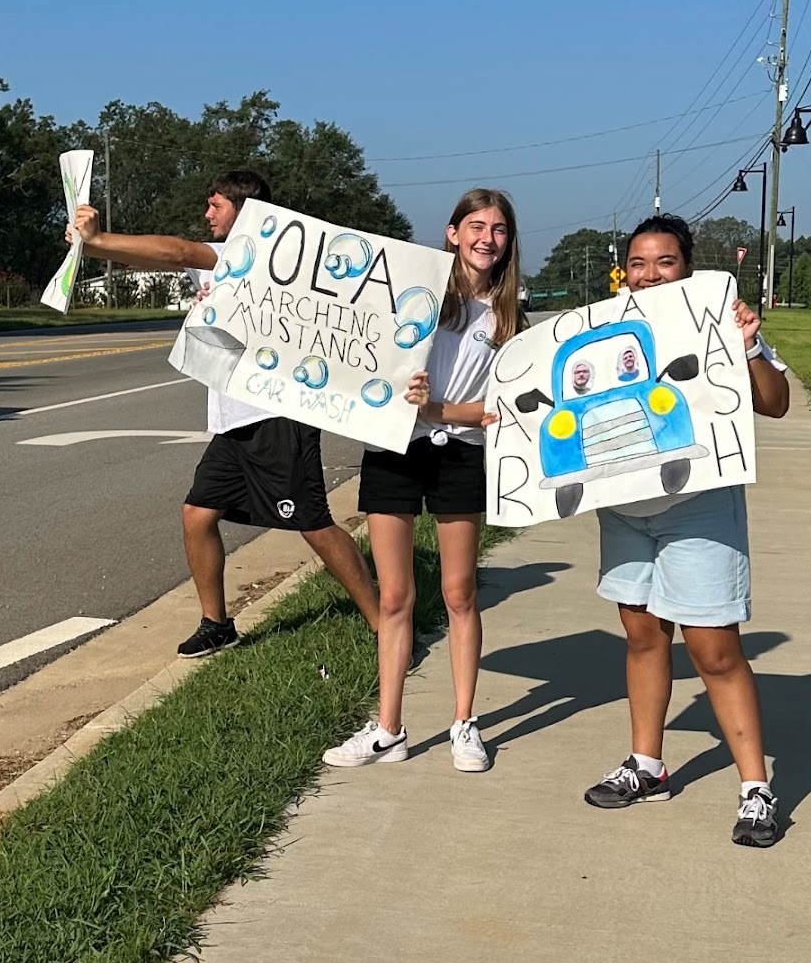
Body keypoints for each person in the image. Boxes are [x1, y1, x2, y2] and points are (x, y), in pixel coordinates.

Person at [69, 170, 379, 656]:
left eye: (215, 205)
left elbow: (176, 251)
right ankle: (217, 623)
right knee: (197, 514)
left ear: (246, 212)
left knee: (312, 523)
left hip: (277, 419)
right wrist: (93, 247)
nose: (206, 214)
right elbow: (171, 256)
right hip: (234, 422)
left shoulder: (262, 259)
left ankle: (384, 623)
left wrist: (99, 240)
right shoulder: (220, 264)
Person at [585, 212, 790, 847]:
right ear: (626, 270)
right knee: (642, 636)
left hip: (699, 507)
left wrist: (749, 345)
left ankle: (756, 788)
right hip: (625, 509)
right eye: (639, 263)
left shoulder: (719, 322)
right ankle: (647, 764)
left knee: (713, 651)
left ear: (688, 269)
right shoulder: (599, 327)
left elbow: (775, 401)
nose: (651, 274)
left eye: (665, 262)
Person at [322, 188, 525, 773]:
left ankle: (465, 722)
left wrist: (435, 410)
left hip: (459, 456)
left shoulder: (510, 317)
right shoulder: (411, 298)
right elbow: (357, 355)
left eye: (500, 230)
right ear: (452, 232)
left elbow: (499, 407)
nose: (488, 238)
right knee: (394, 596)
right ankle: (388, 728)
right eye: (477, 226)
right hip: (392, 450)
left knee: (459, 594)